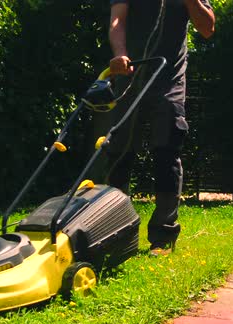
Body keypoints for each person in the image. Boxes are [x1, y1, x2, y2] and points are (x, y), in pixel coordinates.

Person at [93, 0, 215, 256]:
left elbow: (207, 28)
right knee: (119, 151)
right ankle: (114, 229)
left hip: (169, 78)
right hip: (130, 74)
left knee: (167, 147)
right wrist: (120, 53)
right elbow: (117, 19)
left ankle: (163, 235)